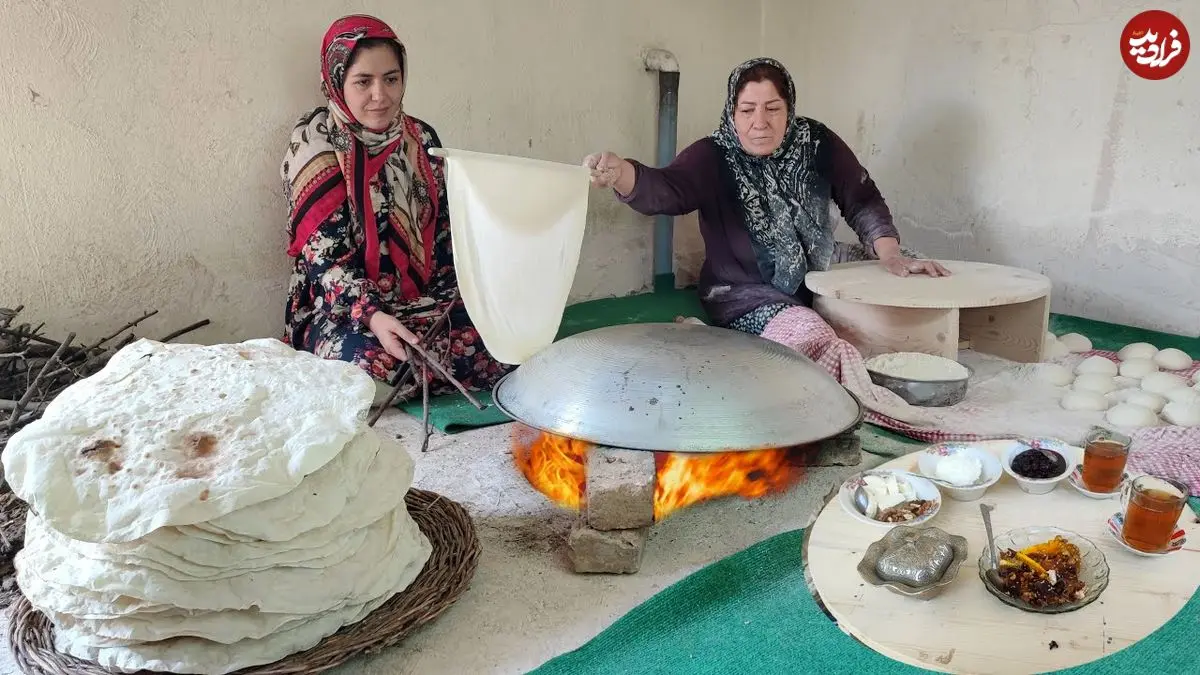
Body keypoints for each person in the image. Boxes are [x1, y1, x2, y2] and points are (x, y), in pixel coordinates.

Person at [584, 57, 946, 424]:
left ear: (790, 109)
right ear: (733, 112)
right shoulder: (713, 156)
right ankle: (859, 408)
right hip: (745, 294)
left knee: (906, 274)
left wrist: (891, 255)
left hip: (816, 272)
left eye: (773, 109)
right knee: (811, 339)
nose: (760, 122)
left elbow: (861, 198)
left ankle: (739, 343)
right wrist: (621, 172)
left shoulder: (816, 142)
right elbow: (666, 190)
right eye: (747, 110)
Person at [280, 14, 512, 400]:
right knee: (362, 364)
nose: (380, 95)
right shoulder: (316, 149)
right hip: (345, 310)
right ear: (336, 82)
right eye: (363, 82)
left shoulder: (421, 138)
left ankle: (420, 373)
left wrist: (474, 296)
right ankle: (406, 371)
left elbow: (445, 237)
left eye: (391, 79)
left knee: (503, 336)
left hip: (423, 300)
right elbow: (326, 265)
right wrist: (374, 316)